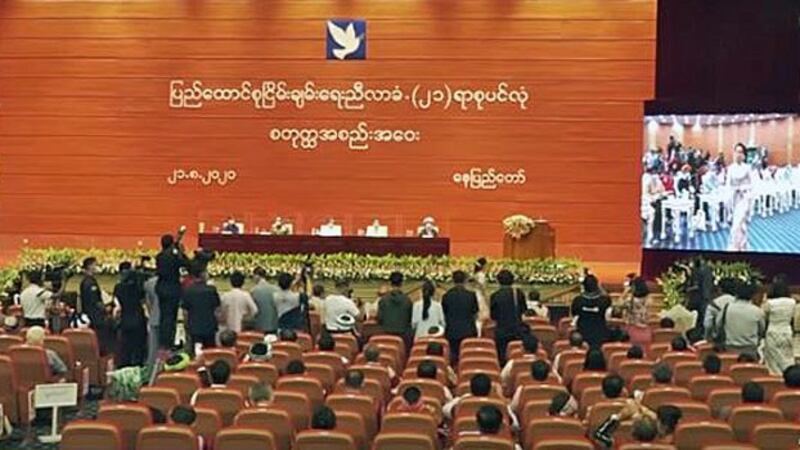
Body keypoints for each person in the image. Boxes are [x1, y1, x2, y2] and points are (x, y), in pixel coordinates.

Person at [155, 232, 188, 350]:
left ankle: (164, 342)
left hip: (161, 288)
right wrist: (180, 252)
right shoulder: (173, 256)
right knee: (170, 317)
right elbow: (185, 264)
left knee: (164, 316)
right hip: (172, 289)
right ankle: (168, 343)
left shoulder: (159, 256)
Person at [113, 262, 147, 367]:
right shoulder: (138, 287)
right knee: (139, 350)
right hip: (138, 320)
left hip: (125, 321)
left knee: (126, 350)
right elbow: (143, 299)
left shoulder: (119, 287)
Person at [181, 262, 222, 350]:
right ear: (202, 274)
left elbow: (185, 312)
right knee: (210, 354)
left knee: (197, 353)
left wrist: (186, 325)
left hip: (194, 328)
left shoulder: (188, 291)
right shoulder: (211, 290)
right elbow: (217, 310)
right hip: (209, 328)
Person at [718, 279, 765, 355]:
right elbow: (761, 330)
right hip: (750, 350)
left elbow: (718, 325)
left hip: (729, 349)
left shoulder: (727, 308)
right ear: (752, 295)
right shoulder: (757, 311)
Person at [441, 270, 479, 364]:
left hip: (452, 332)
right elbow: (475, 313)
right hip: (468, 331)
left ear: (453, 280)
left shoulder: (447, 296)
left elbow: (444, 313)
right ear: (465, 280)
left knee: (453, 360)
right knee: (468, 359)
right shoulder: (471, 296)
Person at [490, 269, 526, 363]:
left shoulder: (495, 296)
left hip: (501, 331)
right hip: (516, 330)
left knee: (502, 359)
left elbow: (493, 316)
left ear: (498, 281)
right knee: (516, 358)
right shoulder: (518, 293)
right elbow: (523, 310)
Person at [762, 275, 796, 375]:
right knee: (787, 358)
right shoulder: (792, 302)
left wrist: (764, 301)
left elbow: (762, 316)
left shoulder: (770, 303)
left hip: (772, 332)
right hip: (786, 332)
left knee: (773, 363)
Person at [79, 257, 113, 355]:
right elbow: (94, 301)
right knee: (99, 341)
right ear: (90, 266)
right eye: (95, 265)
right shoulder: (89, 282)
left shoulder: (88, 280)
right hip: (95, 317)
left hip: (92, 316)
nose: (97, 267)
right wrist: (106, 309)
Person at [571, 275, 611, 348]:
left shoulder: (578, 301)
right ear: (597, 286)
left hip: (583, 333)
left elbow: (574, 314)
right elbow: (608, 300)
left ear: (584, 286)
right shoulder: (604, 300)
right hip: (600, 333)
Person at [457, 405, 522, 450]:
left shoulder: (462, 441)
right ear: (501, 426)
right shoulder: (513, 447)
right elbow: (516, 426)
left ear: (477, 425)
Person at [377, 271, 413, 349]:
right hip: (403, 337)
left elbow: (379, 319)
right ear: (402, 283)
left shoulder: (383, 300)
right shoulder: (407, 300)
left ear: (390, 283)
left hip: (386, 336)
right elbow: (410, 320)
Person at [250, 267, 279, 334]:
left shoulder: (254, 291)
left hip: (259, 326)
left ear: (257, 276)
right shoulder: (276, 289)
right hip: (274, 325)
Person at [625, 277, 652, 348]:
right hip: (646, 331)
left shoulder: (630, 300)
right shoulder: (650, 299)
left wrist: (625, 292)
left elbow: (618, 306)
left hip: (633, 330)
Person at [143, 274, 161, 366]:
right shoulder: (172, 281)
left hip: (154, 316)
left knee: (153, 346)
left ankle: (152, 367)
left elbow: (148, 302)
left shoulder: (148, 284)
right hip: (168, 318)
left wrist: (151, 313)